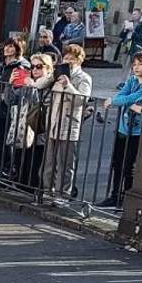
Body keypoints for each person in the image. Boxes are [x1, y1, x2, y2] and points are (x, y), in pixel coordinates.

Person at [101, 50, 142, 207]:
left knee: (128, 167)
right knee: (117, 163)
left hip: (136, 132)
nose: (136, 67)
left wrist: (115, 101)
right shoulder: (132, 81)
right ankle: (114, 196)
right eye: (135, 64)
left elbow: (129, 98)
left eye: (141, 64)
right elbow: (122, 96)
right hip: (123, 128)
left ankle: (126, 198)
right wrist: (117, 100)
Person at [42, 44, 93, 204]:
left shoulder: (84, 78)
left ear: (79, 61)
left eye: (72, 58)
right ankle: (47, 191)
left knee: (65, 163)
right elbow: (39, 85)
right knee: (50, 161)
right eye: (66, 58)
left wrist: (68, 85)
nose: (69, 61)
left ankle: (63, 194)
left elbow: (81, 100)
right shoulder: (59, 73)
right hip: (54, 121)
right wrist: (51, 76)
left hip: (70, 124)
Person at [7, 53, 55, 189]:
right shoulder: (27, 82)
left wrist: (33, 88)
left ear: (48, 69)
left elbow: (39, 106)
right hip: (22, 131)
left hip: (39, 132)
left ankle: (33, 192)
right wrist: (10, 84)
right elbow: (10, 100)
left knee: (33, 167)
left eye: (39, 66)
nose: (34, 70)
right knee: (20, 163)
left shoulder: (49, 85)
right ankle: (20, 188)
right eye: (32, 67)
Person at [0, 38, 32, 178]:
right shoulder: (4, 64)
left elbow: (17, 87)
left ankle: (6, 167)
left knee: (4, 139)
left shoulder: (20, 65)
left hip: (7, 107)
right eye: (7, 46)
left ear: (18, 49)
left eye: (12, 47)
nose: (7, 49)